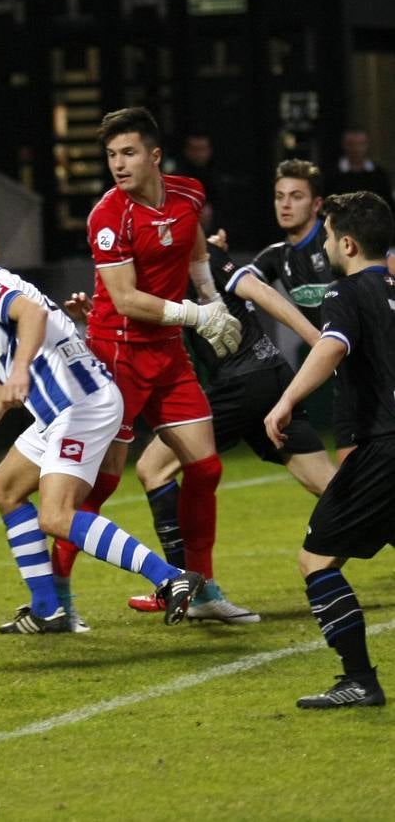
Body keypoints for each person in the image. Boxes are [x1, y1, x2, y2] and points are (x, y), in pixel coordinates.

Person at [0, 203, 202, 633]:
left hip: (80, 405)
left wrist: (22, 368)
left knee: (55, 516)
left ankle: (172, 578)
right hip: (66, 409)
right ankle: (48, 609)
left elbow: (33, 314)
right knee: (5, 487)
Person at [69, 229, 336, 620]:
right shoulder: (163, 268)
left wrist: (317, 337)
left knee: (152, 468)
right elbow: (153, 325)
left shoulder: (202, 256)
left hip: (241, 383)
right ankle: (189, 586)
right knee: (328, 483)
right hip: (268, 377)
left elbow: (263, 293)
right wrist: (96, 318)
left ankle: (185, 585)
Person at [52, 106, 250, 628]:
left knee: (205, 468)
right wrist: (196, 314)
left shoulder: (188, 193)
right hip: (117, 354)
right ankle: (54, 596)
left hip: (168, 353)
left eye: (128, 153)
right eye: (111, 155)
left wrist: (212, 297)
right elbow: (124, 298)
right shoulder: (107, 216)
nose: (118, 164)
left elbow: (192, 249)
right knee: (100, 486)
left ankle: (202, 589)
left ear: (154, 155)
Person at [262, 191, 395, 709]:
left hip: (382, 449)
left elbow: (332, 344)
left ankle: (359, 678)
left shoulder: (346, 292)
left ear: (347, 242)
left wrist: (287, 400)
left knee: (316, 560)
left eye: (329, 234)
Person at [244, 159, 356, 463]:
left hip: (375, 367)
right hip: (346, 375)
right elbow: (237, 284)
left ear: (317, 204)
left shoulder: (338, 242)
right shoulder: (277, 256)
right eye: (280, 196)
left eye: (296, 196)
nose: (286, 204)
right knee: (354, 471)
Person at [327, 129, 392, 203]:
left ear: (367, 145)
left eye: (361, 144)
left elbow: (388, 206)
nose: (356, 149)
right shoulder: (332, 175)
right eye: (351, 144)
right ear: (344, 145)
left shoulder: (379, 175)